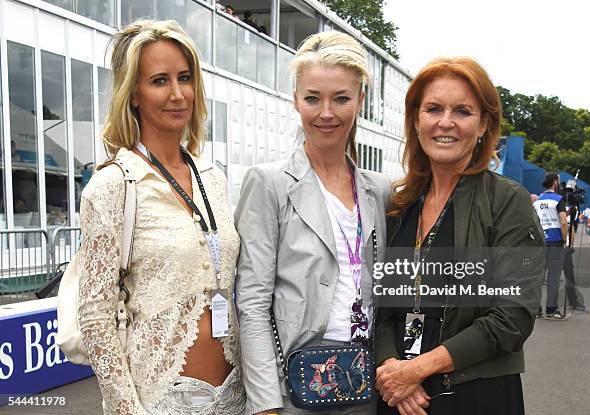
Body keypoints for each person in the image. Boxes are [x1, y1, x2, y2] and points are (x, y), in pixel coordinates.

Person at [77, 20, 245, 415]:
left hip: (236, 395)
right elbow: (95, 315)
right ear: (133, 93)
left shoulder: (213, 179)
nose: (177, 94)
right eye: (159, 81)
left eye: (184, 78)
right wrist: (126, 409)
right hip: (160, 401)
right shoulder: (114, 184)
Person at [375, 57, 545, 415]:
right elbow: (382, 310)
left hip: (475, 397)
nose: (445, 122)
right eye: (433, 108)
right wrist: (393, 370)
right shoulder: (400, 204)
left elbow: (513, 316)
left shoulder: (507, 200)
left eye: (462, 111)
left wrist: (418, 369)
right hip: (400, 398)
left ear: (483, 123)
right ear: (417, 121)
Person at [235, 31, 390, 415]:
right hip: (294, 390)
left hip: (362, 383)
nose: (326, 113)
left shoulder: (379, 190)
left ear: (360, 101)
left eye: (341, 98)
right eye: (312, 98)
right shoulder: (268, 183)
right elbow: (252, 302)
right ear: (295, 100)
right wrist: (266, 404)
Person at [533, 172, 568, 320]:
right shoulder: (559, 199)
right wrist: (564, 240)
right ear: (555, 182)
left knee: (538, 276)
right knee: (553, 276)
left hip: (539, 241)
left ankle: (536, 309)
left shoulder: (537, 201)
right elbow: (564, 222)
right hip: (555, 240)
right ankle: (551, 309)